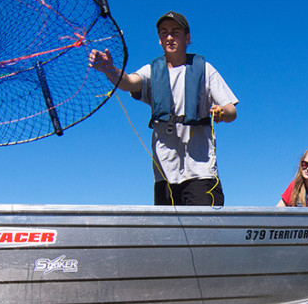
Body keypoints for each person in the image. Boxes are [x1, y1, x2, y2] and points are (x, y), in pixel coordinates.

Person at [88, 11, 238, 206]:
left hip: (201, 173)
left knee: (205, 234)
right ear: (159, 39)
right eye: (164, 32)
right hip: (164, 176)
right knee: (168, 236)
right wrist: (109, 69)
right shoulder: (152, 71)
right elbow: (127, 82)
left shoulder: (205, 69)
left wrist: (222, 113)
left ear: (187, 37)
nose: (169, 37)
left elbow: (232, 111)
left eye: (175, 32)